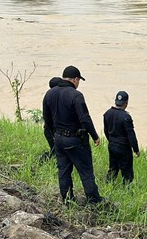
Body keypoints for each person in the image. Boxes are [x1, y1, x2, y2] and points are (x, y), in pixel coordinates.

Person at [42, 66, 103, 206]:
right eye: (78, 80)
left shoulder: (49, 94)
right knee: (85, 170)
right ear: (75, 79)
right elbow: (85, 118)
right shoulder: (76, 95)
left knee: (63, 170)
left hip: (58, 138)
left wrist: (55, 134)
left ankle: (67, 199)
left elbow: (47, 118)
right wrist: (95, 136)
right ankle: (94, 201)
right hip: (75, 139)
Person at [103, 91, 140, 184]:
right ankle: (127, 190)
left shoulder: (107, 113)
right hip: (123, 148)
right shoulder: (126, 117)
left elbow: (106, 131)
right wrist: (136, 149)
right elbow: (131, 134)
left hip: (112, 145)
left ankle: (108, 185)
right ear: (126, 103)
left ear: (116, 101)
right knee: (127, 172)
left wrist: (111, 141)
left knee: (113, 168)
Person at [39, 77, 63, 162]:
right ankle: (45, 161)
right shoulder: (57, 98)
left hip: (49, 130)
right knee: (57, 153)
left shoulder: (48, 96)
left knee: (56, 151)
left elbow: (46, 116)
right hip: (52, 131)